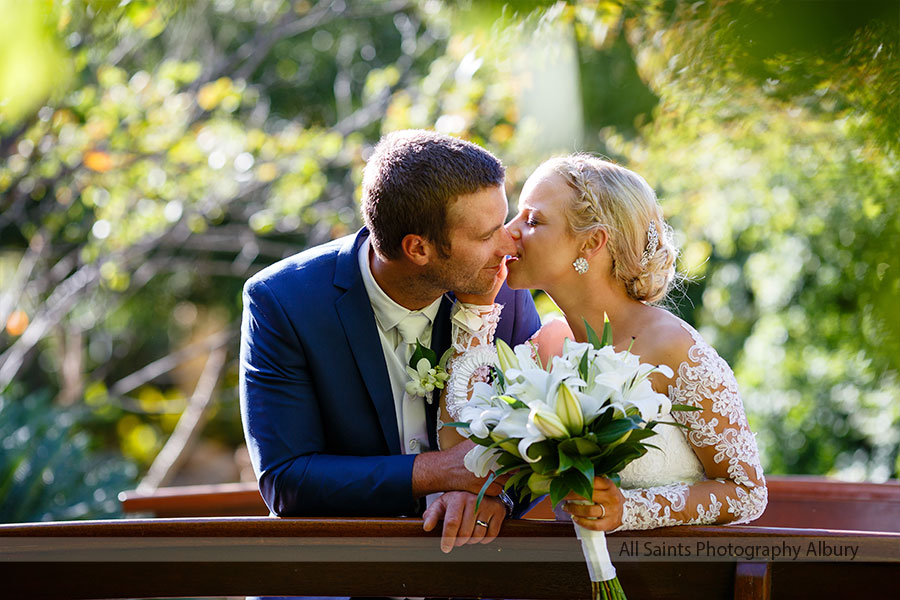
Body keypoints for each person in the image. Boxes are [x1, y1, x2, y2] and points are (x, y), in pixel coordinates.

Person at [239, 129, 542, 554]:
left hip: (471, 572)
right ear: (418, 248)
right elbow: (287, 479)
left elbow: (541, 434)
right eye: (485, 234)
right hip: (339, 569)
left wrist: (496, 494)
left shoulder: (501, 291)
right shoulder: (283, 303)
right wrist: (443, 472)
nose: (509, 244)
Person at [433, 154, 767, 533]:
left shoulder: (673, 348)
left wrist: (627, 509)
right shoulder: (546, 345)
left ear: (591, 242)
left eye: (533, 220)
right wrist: (476, 310)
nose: (509, 232)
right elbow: (462, 442)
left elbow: (745, 491)